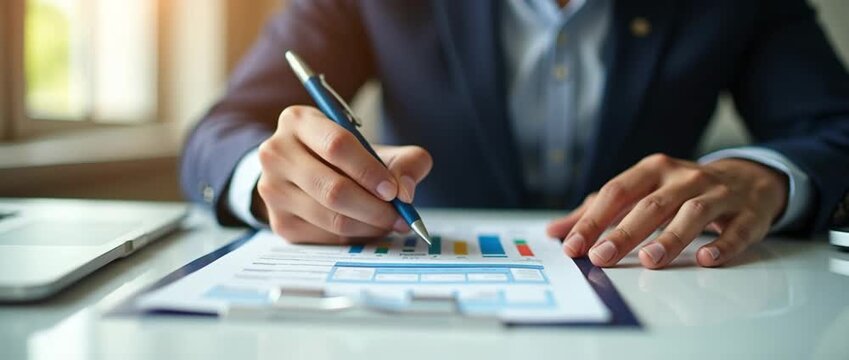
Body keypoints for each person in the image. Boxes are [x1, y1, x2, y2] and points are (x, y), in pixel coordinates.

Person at [180, 0, 849, 269]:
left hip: (662, 303)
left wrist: (764, 177)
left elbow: (834, 127)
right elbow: (222, 131)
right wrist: (269, 180)